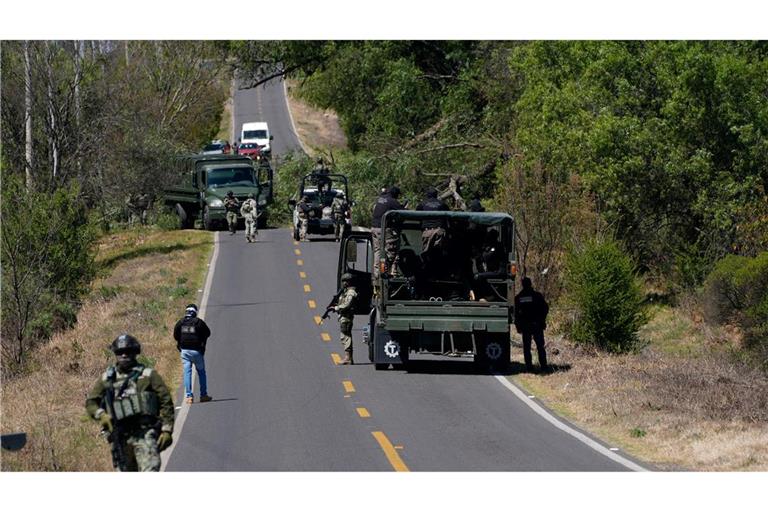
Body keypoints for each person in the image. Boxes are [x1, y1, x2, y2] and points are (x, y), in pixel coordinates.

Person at [85, 334, 174, 471]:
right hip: (120, 437)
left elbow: (165, 400)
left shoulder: (148, 375)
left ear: (135, 352)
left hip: (145, 434)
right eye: (120, 352)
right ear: (115, 354)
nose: (124, 355)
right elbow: (91, 402)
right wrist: (101, 414)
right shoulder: (107, 379)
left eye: (128, 351)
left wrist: (167, 430)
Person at [173, 304, 212, 404]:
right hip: (196, 351)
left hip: (185, 351)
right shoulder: (198, 322)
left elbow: (176, 335)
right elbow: (208, 333)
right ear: (195, 312)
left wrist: (181, 344)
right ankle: (203, 395)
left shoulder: (180, 323)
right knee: (201, 372)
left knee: (187, 372)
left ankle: (189, 397)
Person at [514, 277, 550, 373]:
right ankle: (544, 366)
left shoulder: (519, 297)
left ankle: (529, 368)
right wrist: (542, 320)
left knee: (527, 347)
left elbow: (516, 314)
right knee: (540, 346)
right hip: (537, 325)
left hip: (526, 326)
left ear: (523, 285)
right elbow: (545, 308)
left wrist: (518, 326)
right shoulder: (537, 296)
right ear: (530, 284)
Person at [371, 186, 405, 279]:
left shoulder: (380, 199)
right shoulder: (392, 201)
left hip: (375, 228)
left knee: (378, 251)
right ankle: (385, 271)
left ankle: (378, 273)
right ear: (395, 194)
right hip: (384, 229)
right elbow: (403, 212)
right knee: (391, 250)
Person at [416, 187, 450, 255]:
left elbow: (417, 215)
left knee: (426, 253)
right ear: (436, 195)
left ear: (427, 195)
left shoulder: (422, 204)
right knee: (438, 254)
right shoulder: (442, 204)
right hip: (439, 230)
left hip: (427, 230)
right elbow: (448, 216)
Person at [334, 273, 358, 365]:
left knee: (346, 336)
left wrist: (337, 308)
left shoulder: (351, 293)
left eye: (345, 281)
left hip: (346, 317)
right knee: (345, 336)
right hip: (344, 316)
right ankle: (348, 358)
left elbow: (347, 304)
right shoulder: (345, 291)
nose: (343, 283)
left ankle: (348, 358)